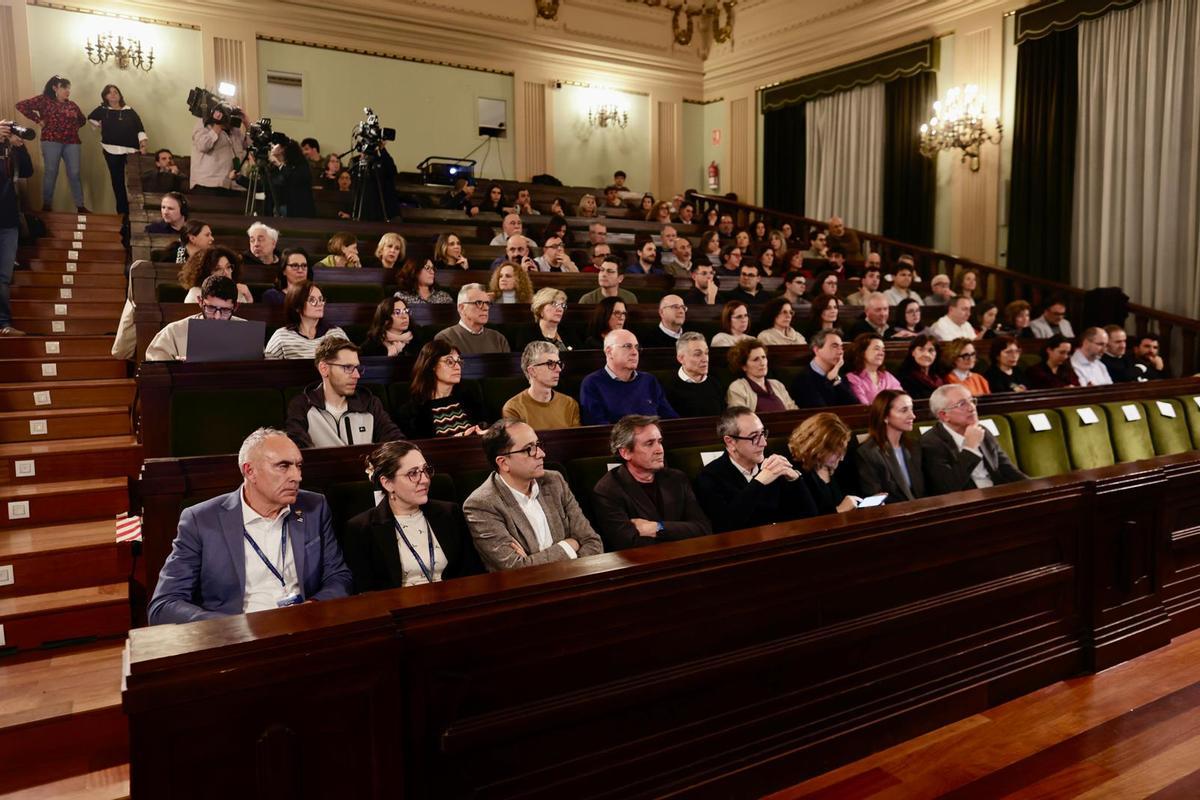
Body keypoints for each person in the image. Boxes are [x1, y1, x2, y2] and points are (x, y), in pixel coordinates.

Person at [147, 428, 353, 624]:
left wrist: (313, 606)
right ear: (250, 471)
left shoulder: (314, 507)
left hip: (304, 626)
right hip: (239, 637)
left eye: (298, 466)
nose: (297, 477)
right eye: (283, 466)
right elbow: (164, 604)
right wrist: (229, 626)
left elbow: (338, 576)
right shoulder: (201, 521)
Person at [340, 441, 483, 592]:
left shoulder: (449, 513)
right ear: (387, 483)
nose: (425, 480)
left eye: (426, 470)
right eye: (413, 473)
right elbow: (366, 591)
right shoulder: (361, 528)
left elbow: (472, 571)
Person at [463, 420, 604, 571]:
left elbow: (593, 543)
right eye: (528, 449)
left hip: (577, 580)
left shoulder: (554, 481)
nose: (541, 454)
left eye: (538, 444)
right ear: (503, 463)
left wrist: (532, 560)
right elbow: (515, 569)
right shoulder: (482, 504)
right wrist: (569, 545)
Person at [592, 415, 713, 550]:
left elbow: (703, 528)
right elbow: (627, 543)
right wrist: (678, 532)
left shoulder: (677, 478)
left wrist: (657, 527)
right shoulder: (608, 490)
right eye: (649, 444)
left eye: (659, 442)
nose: (659, 450)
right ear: (625, 453)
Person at [695, 407, 817, 533]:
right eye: (754, 437)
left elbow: (810, 516)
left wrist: (795, 479)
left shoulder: (772, 464)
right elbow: (725, 525)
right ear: (730, 442)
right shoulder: (709, 477)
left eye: (763, 434)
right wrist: (759, 482)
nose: (764, 443)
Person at [285, 337, 404, 448]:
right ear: (324, 369)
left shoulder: (370, 403)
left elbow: (396, 443)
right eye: (348, 367)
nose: (356, 375)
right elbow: (298, 453)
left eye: (357, 368)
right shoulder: (301, 406)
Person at [921, 384, 1027, 494]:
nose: (972, 407)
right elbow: (948, 486)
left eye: (971, 401)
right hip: (967, 503)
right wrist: (970, 448)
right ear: (944, 415)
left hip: (996, 495)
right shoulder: (931, 443)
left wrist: (1035, 488)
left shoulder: (982, 430)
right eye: (962, 404)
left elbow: (1007, 469)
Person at [17, 76, 87, 212]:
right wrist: (38, 120)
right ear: (55, 88)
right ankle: (47, 205)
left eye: (68, 88)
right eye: (64, 88)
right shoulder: (44, 100)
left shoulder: (72, 105)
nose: (67, 91)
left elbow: (82, 120)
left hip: (72, 142)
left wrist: (72, 127)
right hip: (51, 141)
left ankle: (80, 206)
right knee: (51, 172)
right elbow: (21, 105)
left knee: (75, 173)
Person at [579, 329, 678, 424]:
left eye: (637, 347)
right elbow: (598, 428)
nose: (635, 352)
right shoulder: (592, 383)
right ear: (609, 352)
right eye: (628, 346)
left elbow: (670, 420)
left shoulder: (649, 380)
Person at [396, 340, 487, 438]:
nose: (457, 367)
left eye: (459, 361)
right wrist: (458, 438)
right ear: (431, 365)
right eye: (449, 361)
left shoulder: (469, 397)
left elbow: (486, 427)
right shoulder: (412, 410)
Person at [145, 275, 247, 361]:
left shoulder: (246, 331)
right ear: (200, 302)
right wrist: (177, 367)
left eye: (225, 310)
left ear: (235, 307)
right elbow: (156, 368)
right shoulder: (173, 332)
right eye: (211, 308)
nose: (217, 317)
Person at [86, 84, 147, 215]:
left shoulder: (130, 111)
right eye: (109, 92)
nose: (113, 94)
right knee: (117, 181)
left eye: (116, 92)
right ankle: (123, 212)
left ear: (120, 95)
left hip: (132, 150)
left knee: (135, 180)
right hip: (111, 150)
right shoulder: (102, 110)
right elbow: (90, 118)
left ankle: (137, 210)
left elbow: (140, 128)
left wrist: (143, 145)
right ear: (105, 96)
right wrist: (99, 124)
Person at [856, 390, 925, 504]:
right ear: (885, 416)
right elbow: (876, 499)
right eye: (904, 410)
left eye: (911, 409)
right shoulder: (868, 453)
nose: (913, 415)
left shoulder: (914, 446)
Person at [0, 120, 34, 336]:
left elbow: (27, 171)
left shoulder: (9, 151)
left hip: (8, 221)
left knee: (3, 276)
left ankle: (3, 324)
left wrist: (19, 147)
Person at [788, 413, 859, 514]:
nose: (841, 458)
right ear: (818, 447)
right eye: (835, 452)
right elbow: (808, 520)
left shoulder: (838, 467)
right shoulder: (797, 475)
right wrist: (838, 511)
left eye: (843, 451)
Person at [502, 341, 581, 430]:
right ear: (532, 371)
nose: (558, 369)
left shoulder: (570, 404)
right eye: (550, 364)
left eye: (558, 363)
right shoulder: (514, 408)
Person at [264, 281, 349, 360]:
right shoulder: (281, 336)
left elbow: (351, 365)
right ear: (297, 307)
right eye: (312, 300)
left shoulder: (337, 334)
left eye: (321, 299)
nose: (319, 304)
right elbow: (269, 369)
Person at [187, 98, 248, 195]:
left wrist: (246, 122)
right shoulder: (203, 124)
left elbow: (249, 145)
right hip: (207, 184)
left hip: (232, 185)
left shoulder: (235, 130)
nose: (229, 115)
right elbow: (203, 145)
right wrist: (218, 125)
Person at [434, 283, 512, 355]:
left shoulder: (499, 339)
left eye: (487, 303)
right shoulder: (445, 338)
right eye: (478, 303)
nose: (486, 308)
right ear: (461, 308)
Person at [789, 328, 857, 407]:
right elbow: (821, 410)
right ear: (817, 350)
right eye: (834, 346)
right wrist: (828, 380)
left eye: (841, 347)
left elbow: (854, 407)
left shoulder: (839, 375)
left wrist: (835, 379)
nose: (841, 352)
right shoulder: (803, 380)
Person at [725, 339, 798, 412]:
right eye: (756, 359)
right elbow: (740, 418)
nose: (762, 363)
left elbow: (794, 412)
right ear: (744, 366)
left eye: (763, 357)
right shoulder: (737, 388)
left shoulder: (777, 385)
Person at [664, 332, 725, 418]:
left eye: (706, 353)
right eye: (697, 354)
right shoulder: (667, 388)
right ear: (681, 358)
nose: (705, 359)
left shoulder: (715, 383)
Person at [179, 246, 252, 304]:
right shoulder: (195, 293)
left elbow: (243, 321)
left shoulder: (238, 292)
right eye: (218, 269)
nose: (226, 272)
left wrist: (248, 298)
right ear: (206, 272)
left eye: (228, 267)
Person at [263, 139, 316, 218]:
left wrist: (280, 165)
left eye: (275, 144)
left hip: (298, 210)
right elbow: (267, 185)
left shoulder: (300, 165)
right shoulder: (273, 167)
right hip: (277, 207)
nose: (272, 147)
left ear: (283, 149)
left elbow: (294, 179)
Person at [845, 333, 903, 404]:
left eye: (883, 350)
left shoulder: (887, 376)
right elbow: (865, 407)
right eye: (877, 349)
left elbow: (902, 399)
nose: (881, 353)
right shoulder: (853, 378)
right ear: (862, 352)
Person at [359, 296, 423, 358]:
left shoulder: (417, 339)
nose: (404, 316)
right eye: (397, 312)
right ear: (385, 319)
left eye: (405, 311)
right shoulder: (371, 345)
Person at [896, 335, 944, 400]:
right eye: (921, 349)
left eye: (931, 350)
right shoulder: (904, 378)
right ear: (913, 352)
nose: (926, 354)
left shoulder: (940, 376)